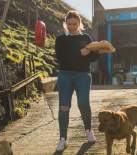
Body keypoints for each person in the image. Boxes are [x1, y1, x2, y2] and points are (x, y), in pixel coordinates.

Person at [54, 10, 100, 152]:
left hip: (83, 75)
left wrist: (90, 52)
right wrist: (81, 52)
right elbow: (61, 58)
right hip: (65, 75)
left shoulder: (86, 38)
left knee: (83, 103)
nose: (72, 27)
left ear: (79, 23)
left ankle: (88, 131)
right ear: (65, 24)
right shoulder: (60, 39)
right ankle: (63, 139)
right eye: (69, 24)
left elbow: (95, 57)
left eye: (74, 24)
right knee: (64, 106)